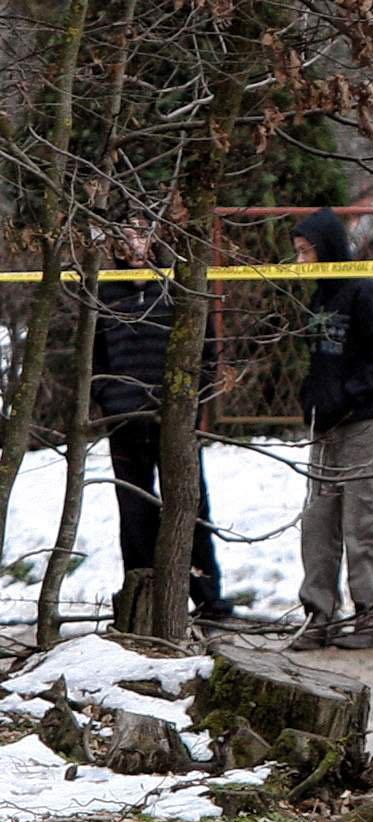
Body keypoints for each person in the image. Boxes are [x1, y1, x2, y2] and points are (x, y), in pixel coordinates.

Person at [92, 217, 233, 620]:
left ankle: (207, 596)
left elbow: (206, 351)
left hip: (173, 417)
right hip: (123, 418)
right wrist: (105, 396)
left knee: (189, 505)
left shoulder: (179, 288)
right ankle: (141, 601)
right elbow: (93, 354)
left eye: (142, 235)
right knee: (133, 510)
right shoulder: (104, 292)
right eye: (127, 236)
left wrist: (192, 405)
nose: (135, 245)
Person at [288, 207, 373, 651]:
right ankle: (318, 614)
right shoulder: (318, 297)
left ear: (329, 249)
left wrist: (351, 393)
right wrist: (312, 398)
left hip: (362, 425)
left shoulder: (363, 293)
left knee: (365, 521)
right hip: (325, 426)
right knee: (318, 523)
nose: (301, 262)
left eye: (306, 252)